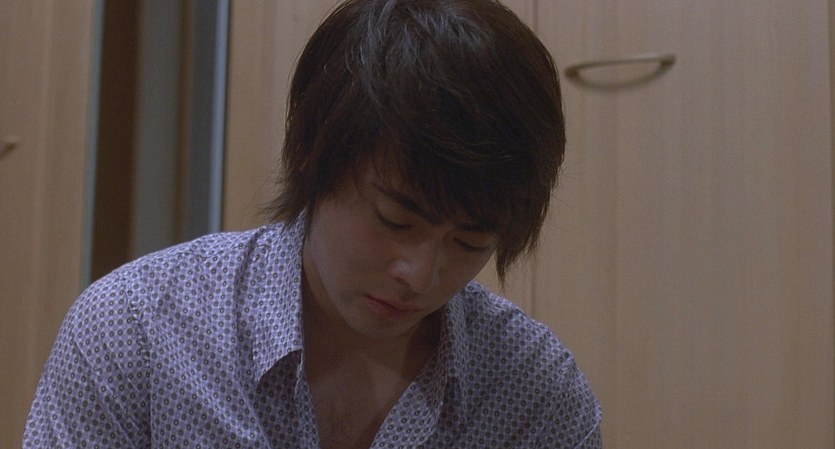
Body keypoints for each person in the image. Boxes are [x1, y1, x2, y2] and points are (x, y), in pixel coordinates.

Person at [24, 0, 602, 447]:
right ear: (310, 155)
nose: (419, 274)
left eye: (469, 242)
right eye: (395, 221)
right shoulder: (137, 329)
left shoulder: (536, 395)